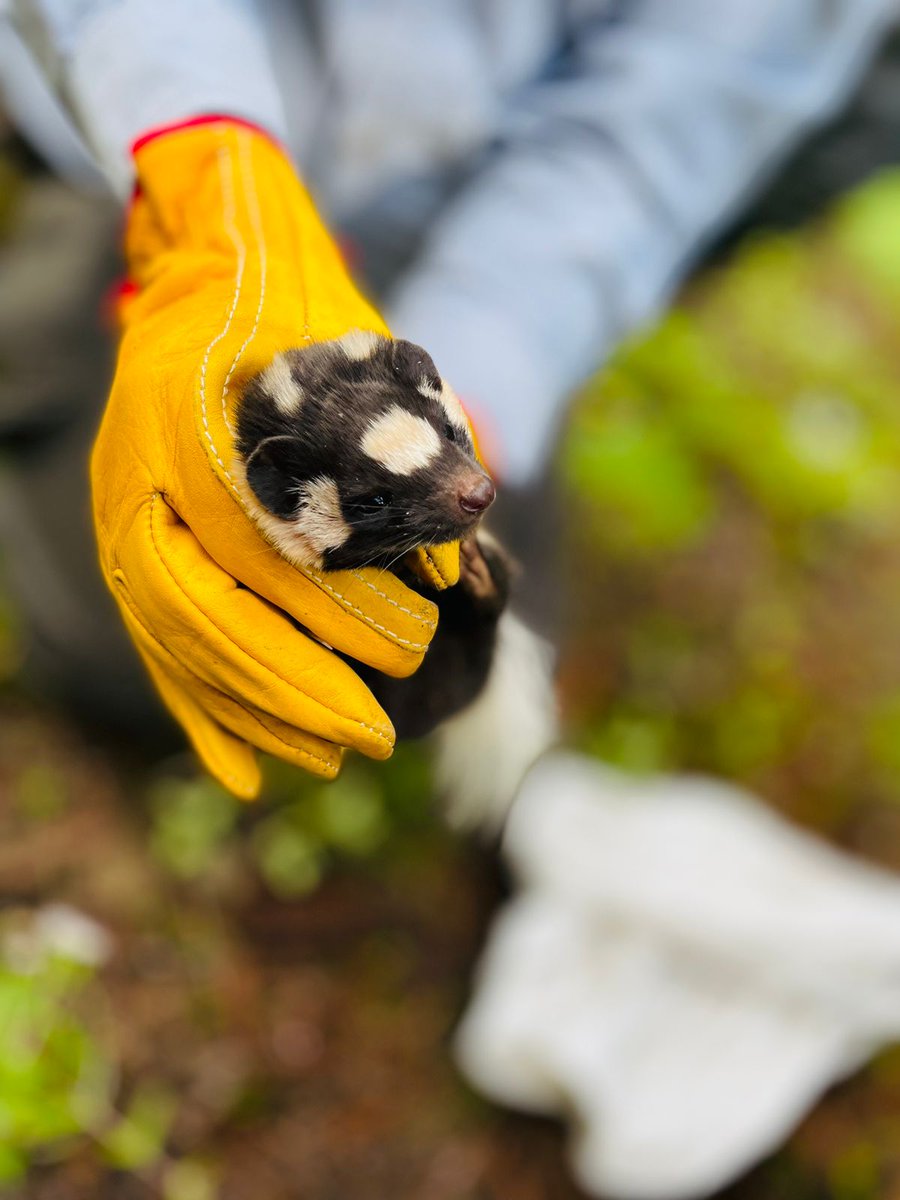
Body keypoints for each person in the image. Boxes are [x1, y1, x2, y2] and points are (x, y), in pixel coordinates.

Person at [0, 0, 896, 801]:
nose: (472, 492)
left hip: (458, 184)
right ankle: (73, 266)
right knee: (143, 642)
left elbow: (647, 137)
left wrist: (479, 381)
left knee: (454, 650)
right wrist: (207, 171)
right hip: (143, 119)